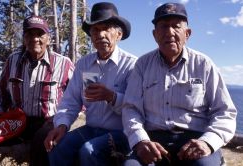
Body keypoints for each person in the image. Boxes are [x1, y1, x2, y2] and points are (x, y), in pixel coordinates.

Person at [122, 2, 237, 166]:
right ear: (155, 34)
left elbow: (225, 112)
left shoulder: (204, 64)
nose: (169, 32)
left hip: (194, 140)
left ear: (187, 33)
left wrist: (208, 142)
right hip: (153, 141)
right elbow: (131, 109)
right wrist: (140, 141)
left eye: (176, 26)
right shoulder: (142, 65)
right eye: (163, 26)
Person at [44, 2, 137, 166]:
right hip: (91, 129)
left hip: (122, 133)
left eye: (106, 28)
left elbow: (136, 107)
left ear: (119, 34)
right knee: (58, 147)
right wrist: (62, 125)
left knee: (89, 151)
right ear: (91, 36)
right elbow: (71, 100)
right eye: (95, 29)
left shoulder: (132, 65)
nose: (100, 34)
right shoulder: (84, 64)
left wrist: (112, 97)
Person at [0, 15, 74, 166]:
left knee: (41, 142)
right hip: (16, 120)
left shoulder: (64, 64)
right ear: (24, 38)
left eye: (40, 34)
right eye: (30, 34)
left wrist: (63, 119)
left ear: (48, 39)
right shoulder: (13, 60)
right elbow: (2, 92)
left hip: (49, 121)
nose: (35, 38)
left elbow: (78, 96)